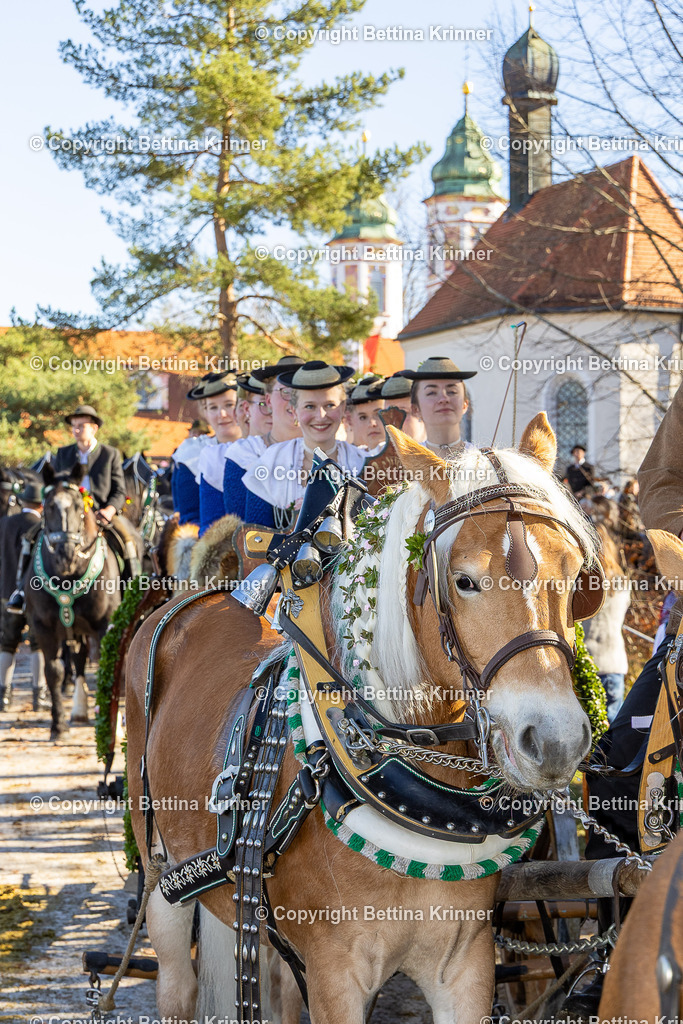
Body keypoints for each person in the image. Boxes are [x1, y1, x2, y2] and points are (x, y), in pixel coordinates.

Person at [7, 405, 140, 614]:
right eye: (74, 426)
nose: (76, 430)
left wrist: (109, 510)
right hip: (67, 514)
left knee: (128, 541)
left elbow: (119, 491)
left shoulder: (110, 454)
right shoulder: (64, 453)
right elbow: (57, 485)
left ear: (94, 428)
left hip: (101, 514)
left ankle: (133, 593)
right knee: (31, 538)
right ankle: (21, 592)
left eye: (82, 426)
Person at [234, 360, 366, 530]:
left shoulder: (363, 463)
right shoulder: (270, 463)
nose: (321, 416)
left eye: (330, 405)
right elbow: (256, 539)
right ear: (295, 411)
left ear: (343, 408)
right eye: (309, 406)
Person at [222, 356, 303, 522]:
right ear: (268, 400)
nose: (294, 400)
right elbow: (241, 533)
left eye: (302, 392)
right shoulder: (243, 456)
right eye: (286, 392)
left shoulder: (331, 453)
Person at [0, 482, 48, 711]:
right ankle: (39, 694)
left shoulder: (5, 523)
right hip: (34, 594)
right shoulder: (41, 526)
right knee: (37, 644)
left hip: (5, 591)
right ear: (41, 505)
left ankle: (3, 694)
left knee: (7, 644)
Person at [171, 372, 238, 526]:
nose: (222, 414)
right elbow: (190, 517)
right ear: (205, 413)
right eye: (213, 407)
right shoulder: (193, 453)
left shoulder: (263, 447)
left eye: (229, 405)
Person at [582, 525, 630, 723]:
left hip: (588, 661)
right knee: (613, 727)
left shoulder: (582, 583)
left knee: (590, 727)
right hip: (615, 662)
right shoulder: (623, 583)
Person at [400, 355, 477, 456]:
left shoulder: (485, 463)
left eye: (452, 392)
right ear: (415, 409)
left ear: (465, 404)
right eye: (431, 393)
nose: (444, 399)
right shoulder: (402, 465)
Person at [376, 373, 426, 442]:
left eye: (402, 412)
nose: (394, 422)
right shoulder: (376, 452)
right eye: (388, 415)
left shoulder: (442, 451)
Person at [344, 375, 386, 452]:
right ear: (349, 419)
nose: (372, 423)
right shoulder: (344, 460)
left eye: (379, 414)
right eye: (363, 417)